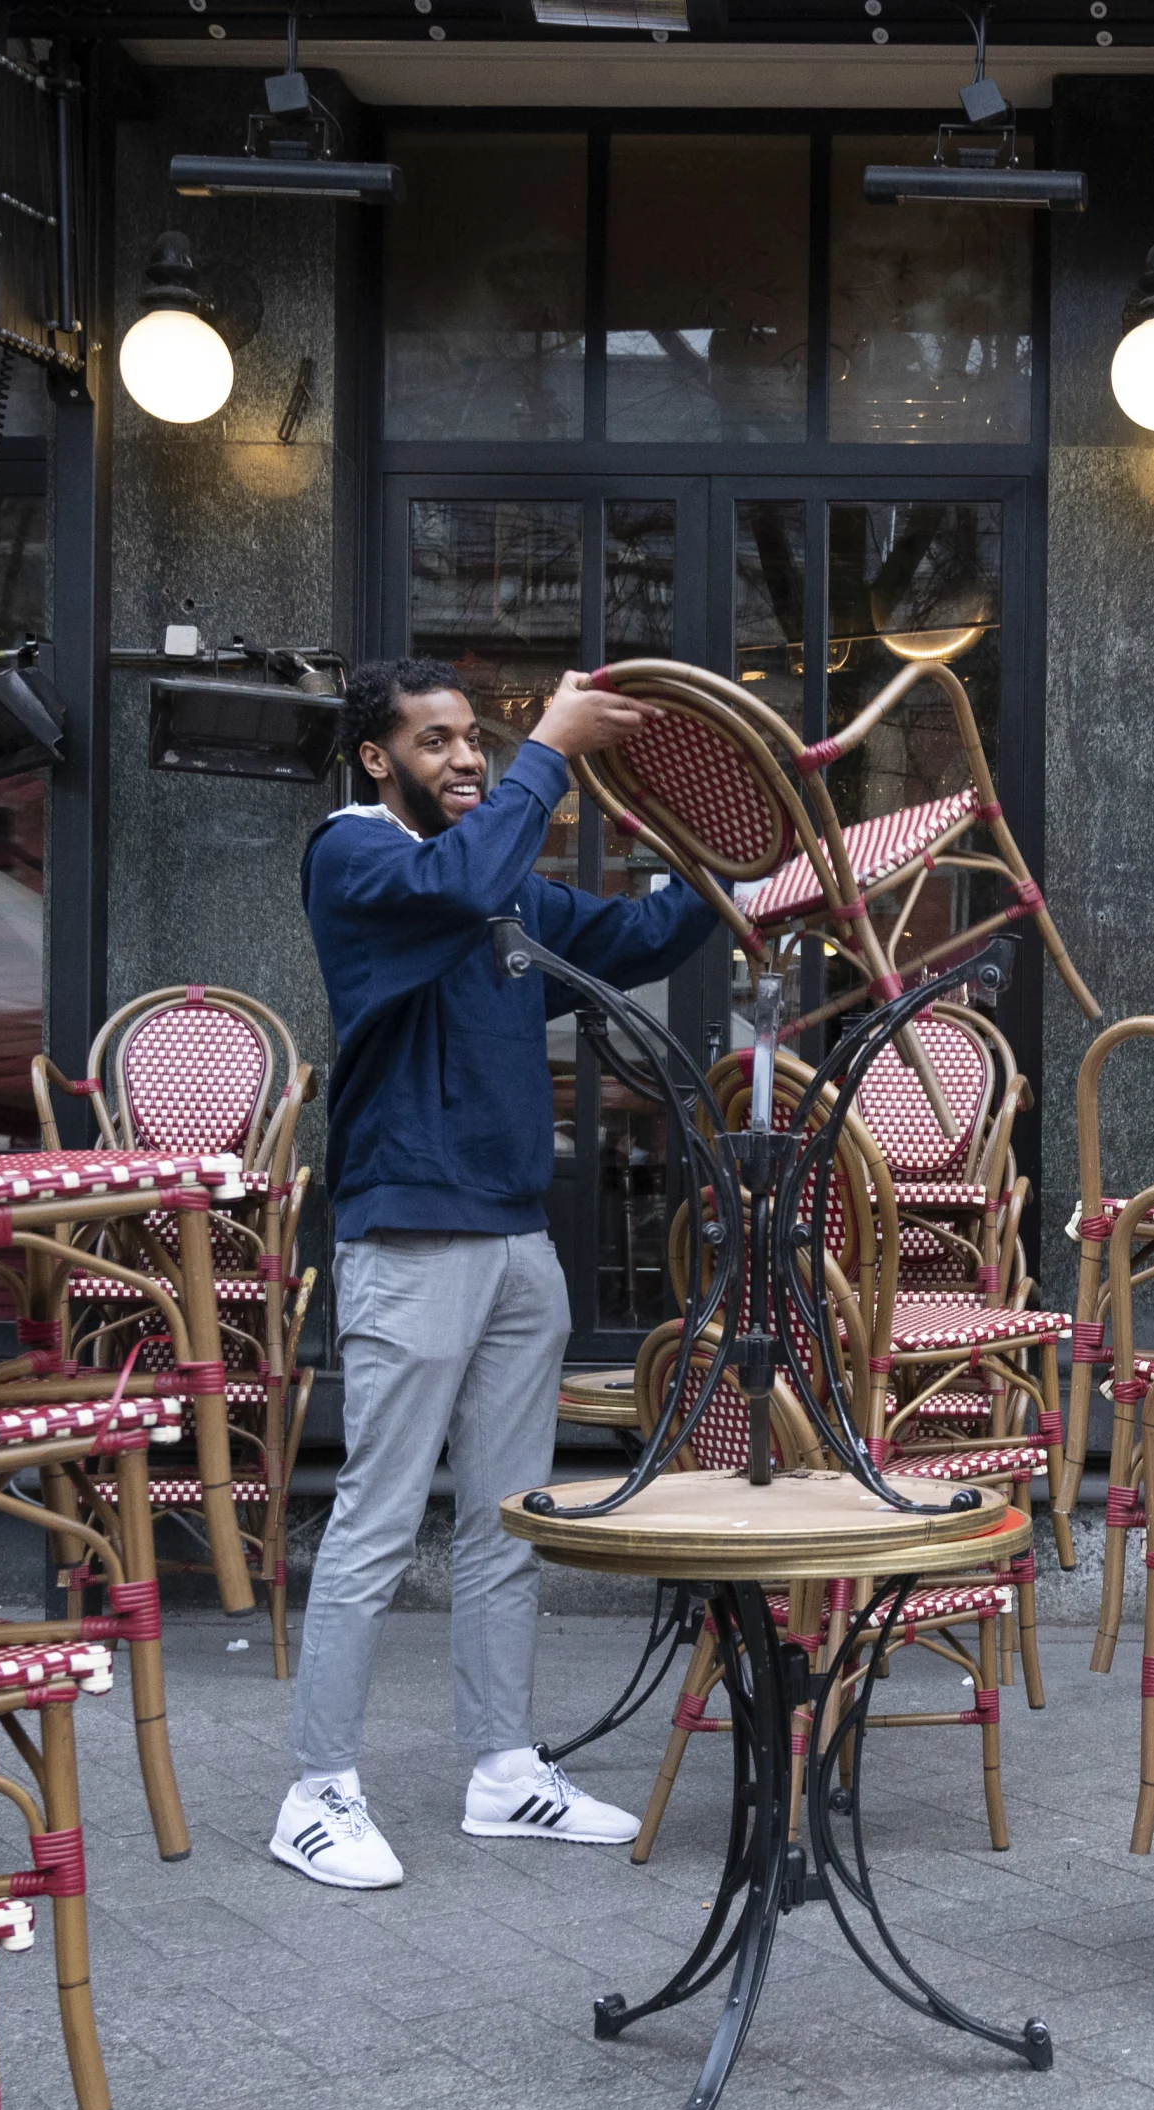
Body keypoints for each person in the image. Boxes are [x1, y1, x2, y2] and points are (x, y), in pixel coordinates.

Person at [275, 658, 718, 1890]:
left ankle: (503, 1770)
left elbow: (635, 934)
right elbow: (458, 880)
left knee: (507, 1517)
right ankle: (315, 1790)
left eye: (479, 738)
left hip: (519, 1236)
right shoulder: (357, 856)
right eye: (436, 741)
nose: (467, 757)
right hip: (411, 1231)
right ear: (378, 759)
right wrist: (556, 748)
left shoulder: (493, 875)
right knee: (373, 1518)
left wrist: (747, 865)